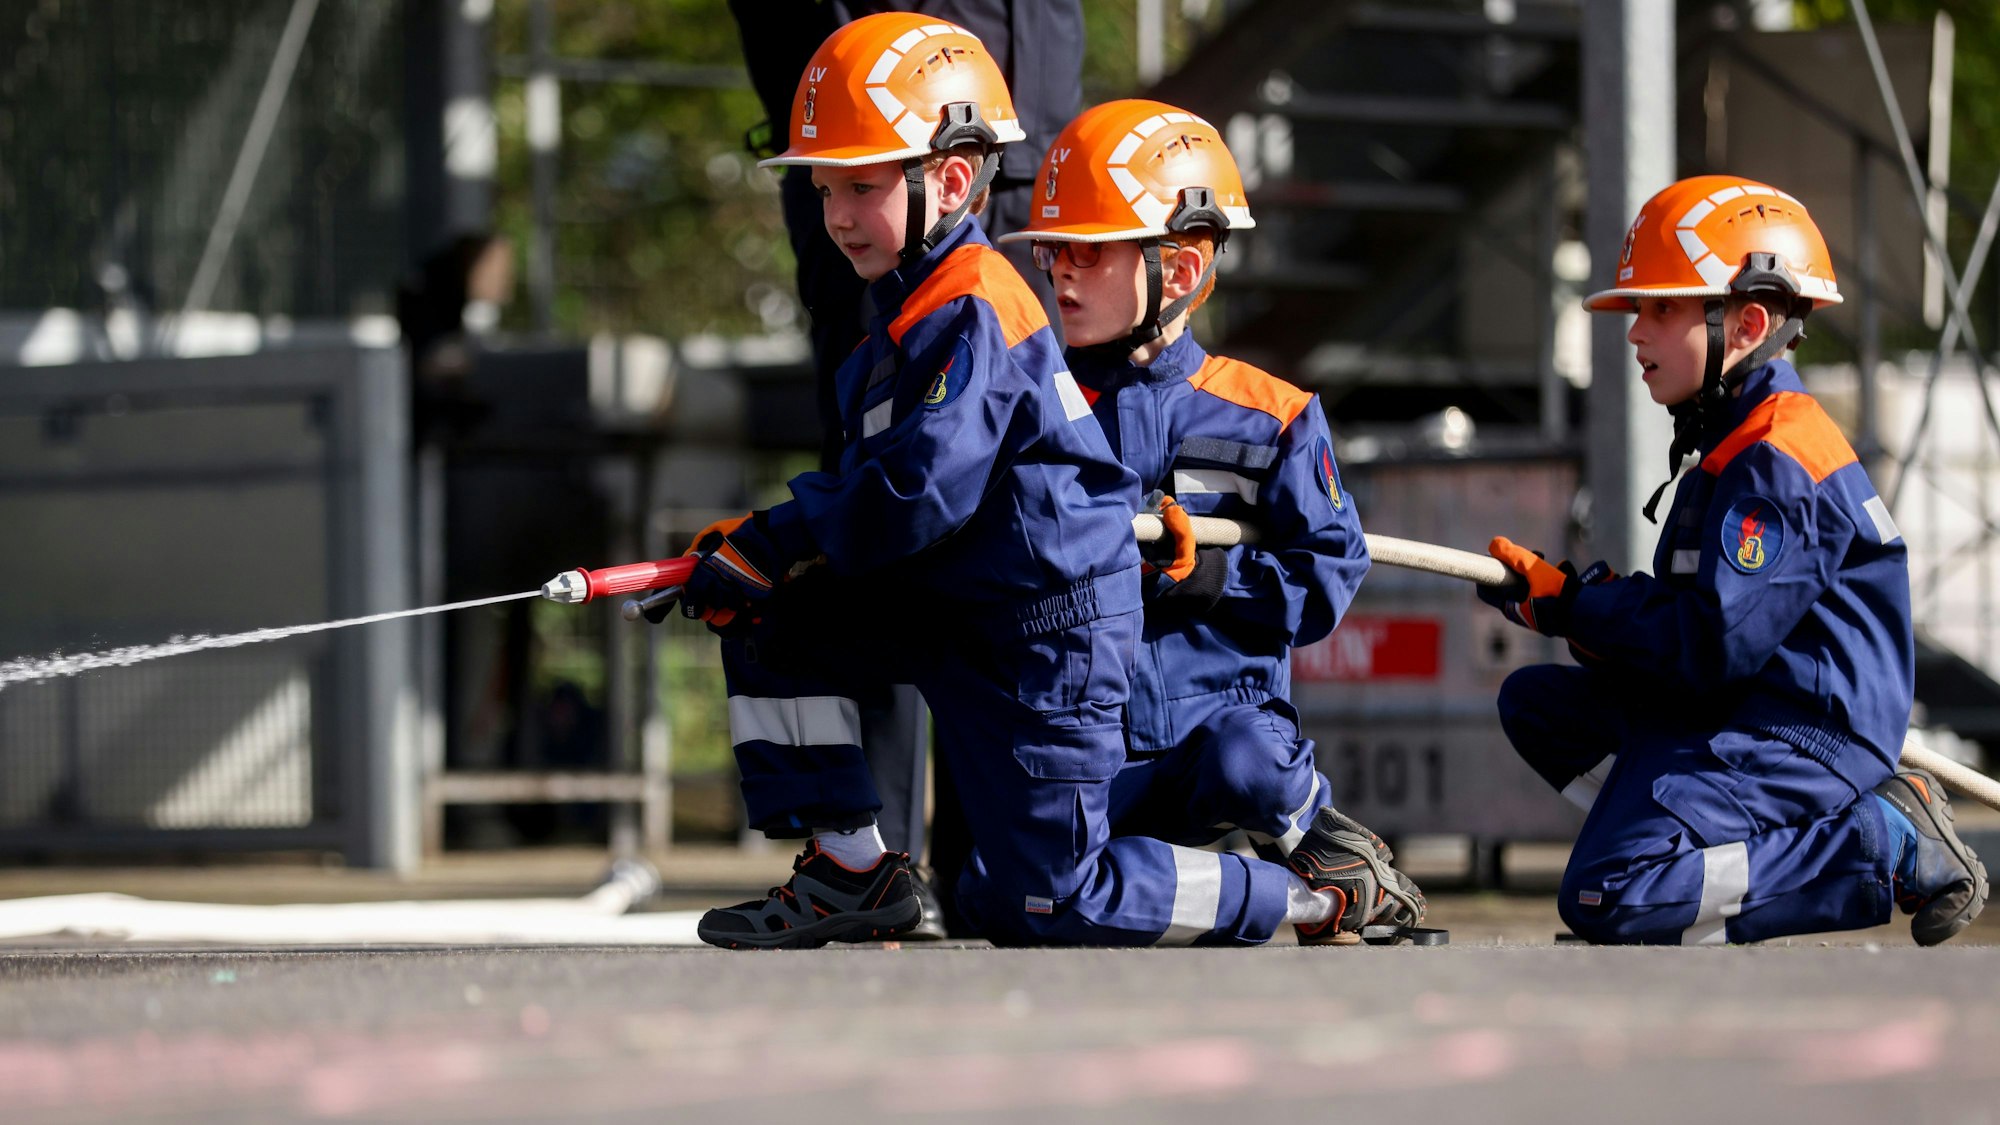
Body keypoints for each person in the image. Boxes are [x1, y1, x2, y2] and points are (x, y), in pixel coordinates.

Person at [674, 15, 1396, 948]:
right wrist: (766, 559)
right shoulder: (893, 338)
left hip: (1052, 642)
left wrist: (1212, 576)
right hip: (974, 621)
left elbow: (923, 486)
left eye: (861, 186)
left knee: (1057, 898)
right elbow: (886, 505)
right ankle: (851, 868)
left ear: (954, 180)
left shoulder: (983, 310)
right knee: (776, 618)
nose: (838, 216)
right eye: (824, 189)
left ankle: (1317, 893)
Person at [1479, 174, 1988, 945]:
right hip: (1738, 708)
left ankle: (1878, 841)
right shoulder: (1735, 443)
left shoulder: (1779, 459)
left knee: (1604, 897)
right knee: (1537, 705)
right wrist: (1572, 604)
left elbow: (1709, 645)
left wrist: (1578, 607)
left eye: (1662, 308)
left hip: (1800, 734)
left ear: (1747, 323)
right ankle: (1669, 848)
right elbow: (1700, 630)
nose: (1636, 332)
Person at [999, 99, 1425, 943]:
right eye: (1052, 251)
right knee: (1003, 892)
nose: (1060, 275)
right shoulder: (1027, 408)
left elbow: (1328, 576)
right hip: (1095, 750)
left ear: (1183, 268)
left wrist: (1213, 578)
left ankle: (1324, 842)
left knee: (1249, 760)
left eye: (1088, 250)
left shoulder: (1271, 415)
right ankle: (1301, 897)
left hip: (1222, 739)